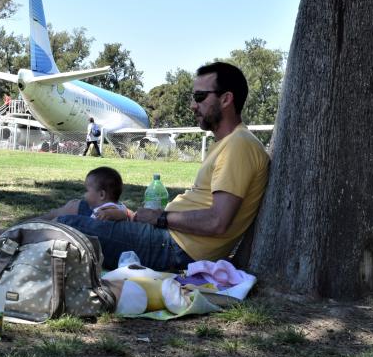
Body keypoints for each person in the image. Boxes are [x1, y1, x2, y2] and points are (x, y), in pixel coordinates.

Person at [57, 62, 270, 271]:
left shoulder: (239, 145)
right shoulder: (227, 143)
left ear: (226, 99)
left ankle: (23, 238)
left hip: (174, 248)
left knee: (65, 224)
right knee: (79, 207)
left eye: (199, 97)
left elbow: (217, 221)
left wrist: (160, 218)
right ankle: (25, 234)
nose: (193, 105)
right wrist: (140, 217)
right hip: (167, 238)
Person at [42, 166, 131, 221]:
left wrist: (109, 214)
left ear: (101, 195)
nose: (84, 194)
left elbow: (122, 214)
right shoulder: (116, 205)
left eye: (87, 190)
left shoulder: (108, 207)